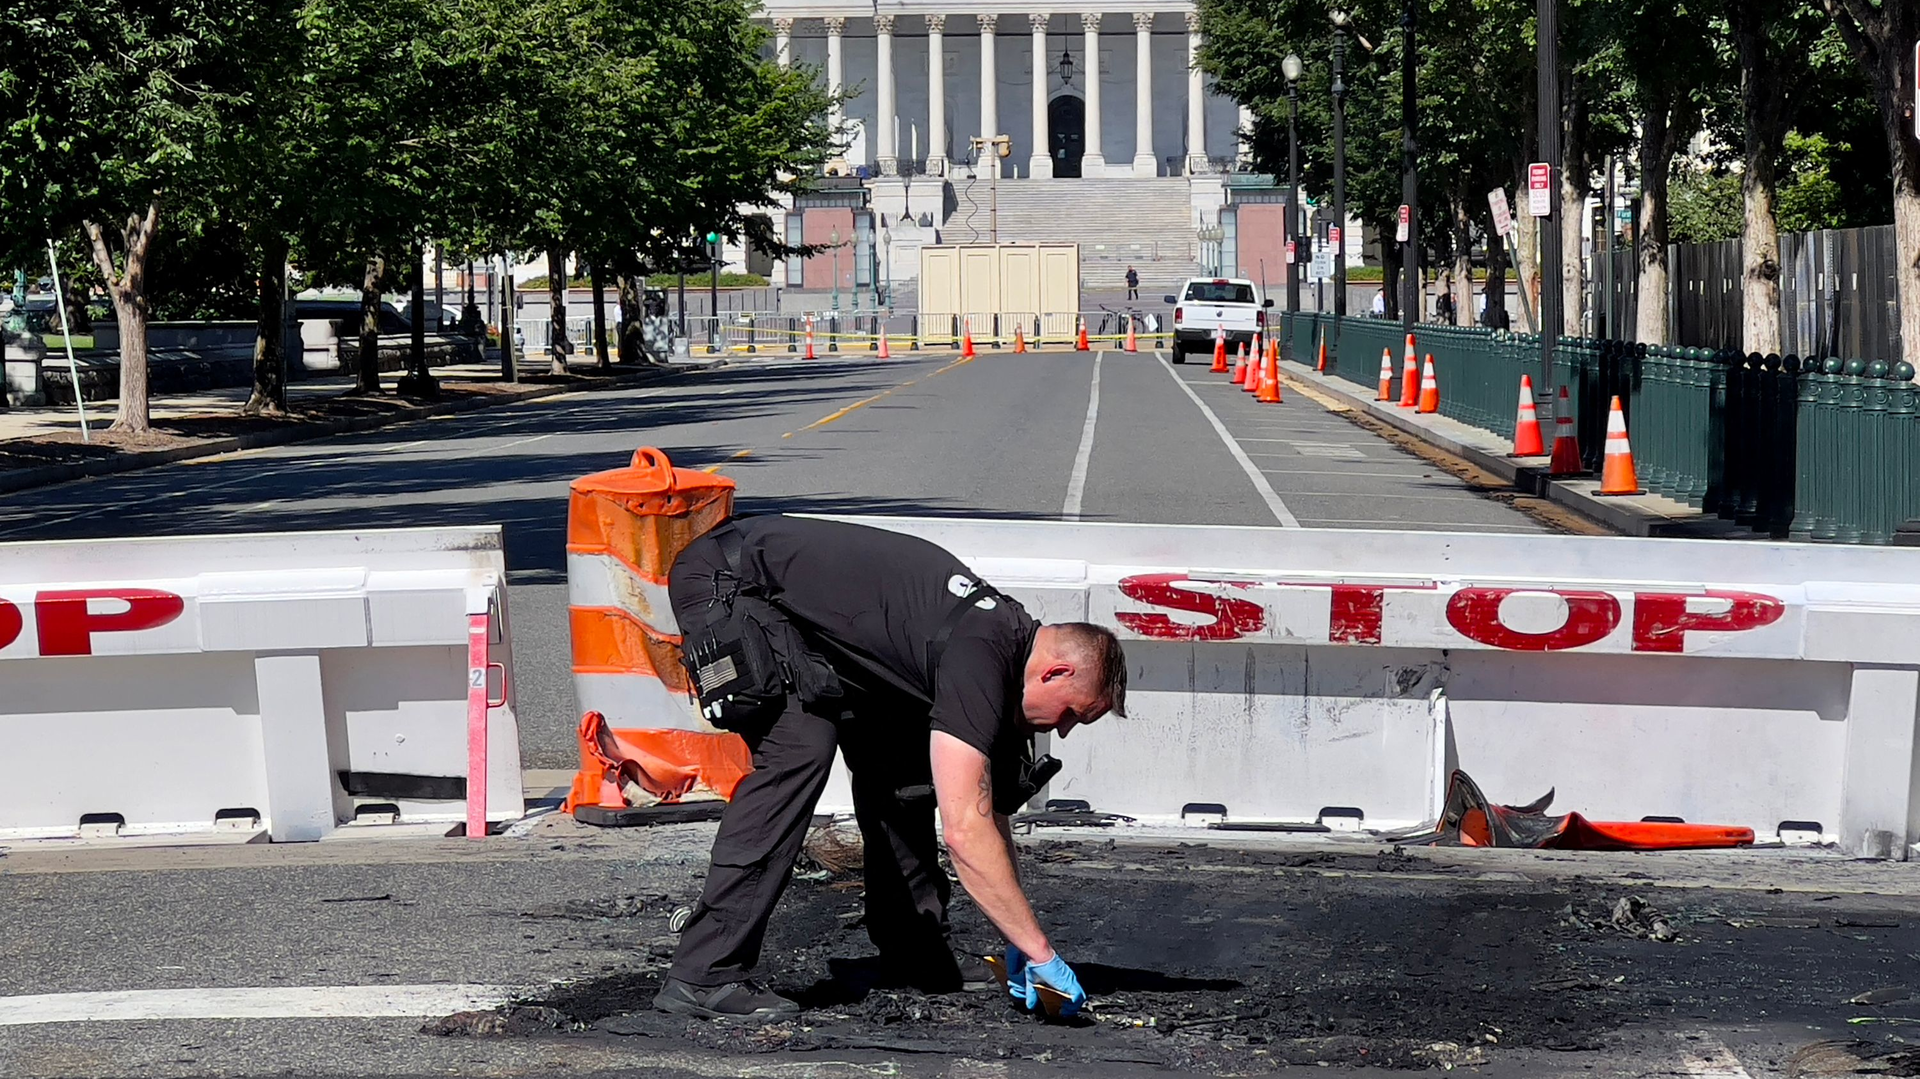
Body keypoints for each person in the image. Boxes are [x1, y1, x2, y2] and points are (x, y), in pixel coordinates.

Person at [653, 514, 1128, 1024]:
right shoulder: (983, 655)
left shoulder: (1001, 647)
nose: (1063, 731)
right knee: (800, 749)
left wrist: (1015, 934)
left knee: (902, 766)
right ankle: (704, 973)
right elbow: (966, 831)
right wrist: (1041, 954)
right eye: (1074, 713)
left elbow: (990, 816)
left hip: (800, 611)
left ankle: (914, 949)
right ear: (1057, 671)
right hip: (732, 581)